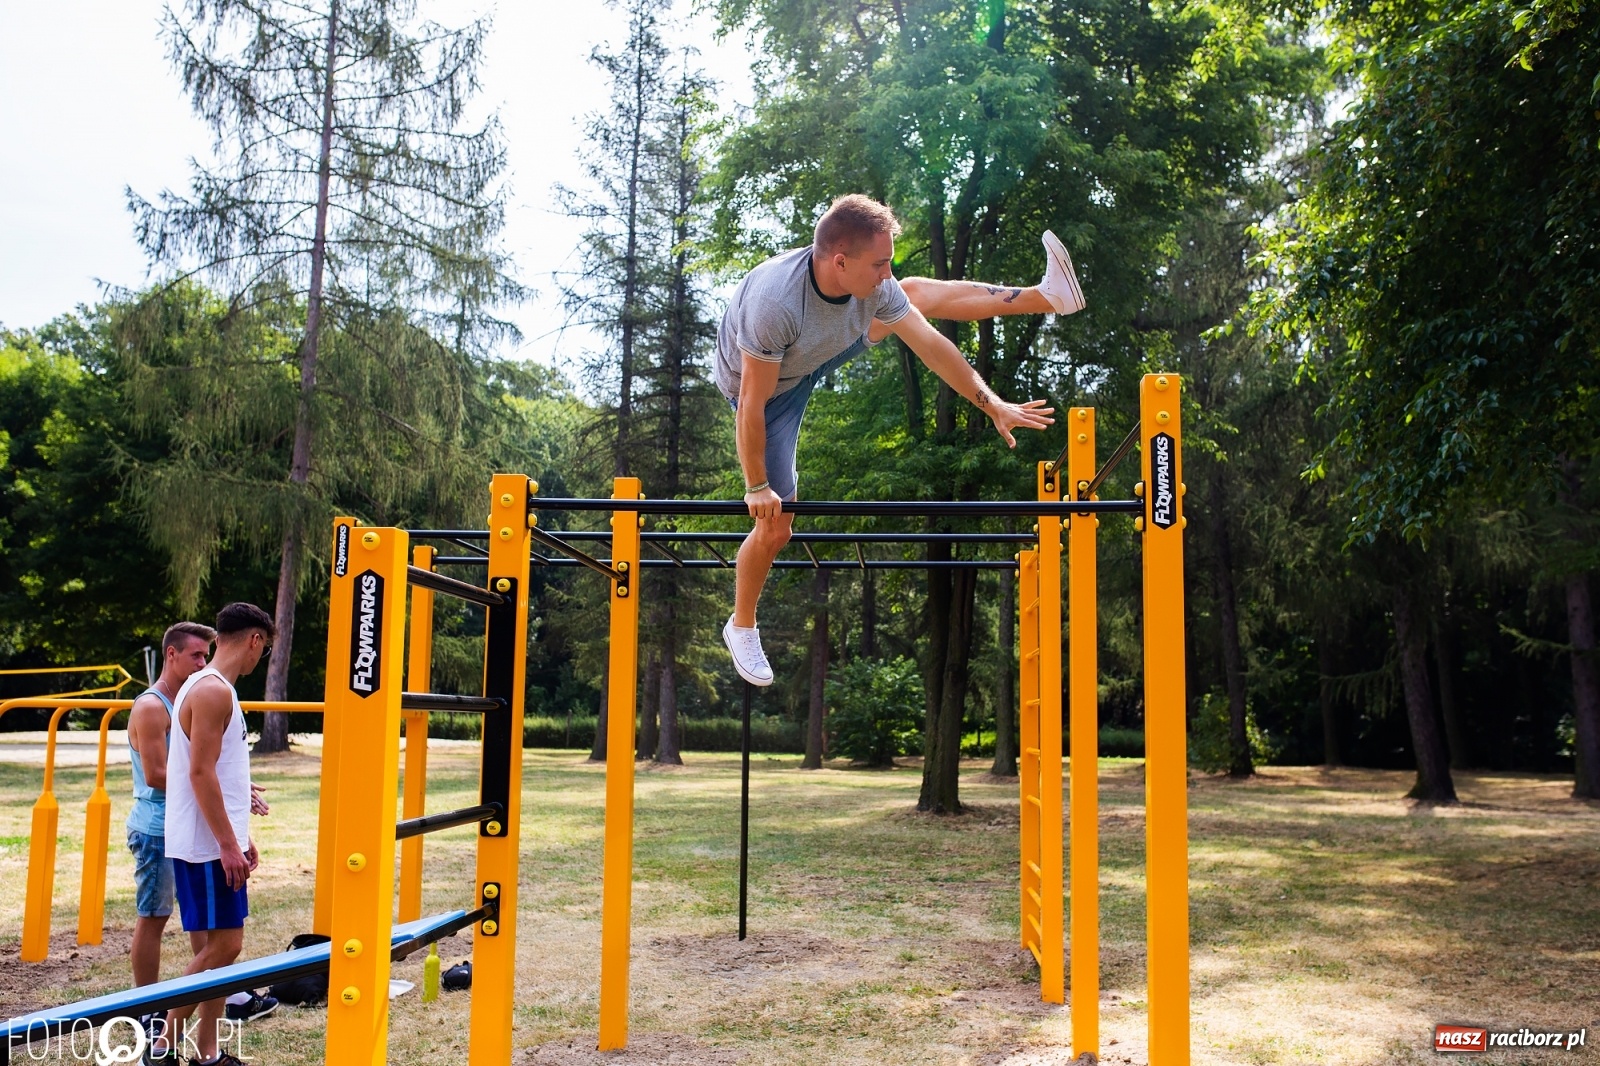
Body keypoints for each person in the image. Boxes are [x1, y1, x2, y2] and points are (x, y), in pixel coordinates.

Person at [716, 195, 1084, 685]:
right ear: (839, 260)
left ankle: (1049, 296)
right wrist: (757, 485)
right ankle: (741, 625)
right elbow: (752, 405)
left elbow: (933, 345)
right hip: (767, 388)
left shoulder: (875, 286)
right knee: (778, 525)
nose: (886, 273)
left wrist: (991, 403)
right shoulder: (775, 304)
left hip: (816, 352)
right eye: (879, 263)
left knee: (910, 293)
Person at [149, 602, 274, 1066]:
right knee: (225, 946)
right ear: (255, 641)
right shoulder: (213, 692)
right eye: (263, 650)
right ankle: (163, 1045)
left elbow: (218, 770)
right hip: (204, 846)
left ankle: (206, 1052)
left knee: (214, 952)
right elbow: (200, 774)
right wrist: (226, 844)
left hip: (213, 840)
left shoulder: (209, 689)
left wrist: (240, 835)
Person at [127, 622, 214, 988]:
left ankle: (216, 990)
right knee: (155, 917)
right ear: (171, 654)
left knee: (203, 915)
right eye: (196, 655)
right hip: (156, 828)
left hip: (185, 822)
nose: (202, 663)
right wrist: (216, 785)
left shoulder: (189, 701)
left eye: (206, 656)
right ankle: (147, 1006)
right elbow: (156, 774)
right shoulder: (151, 706)